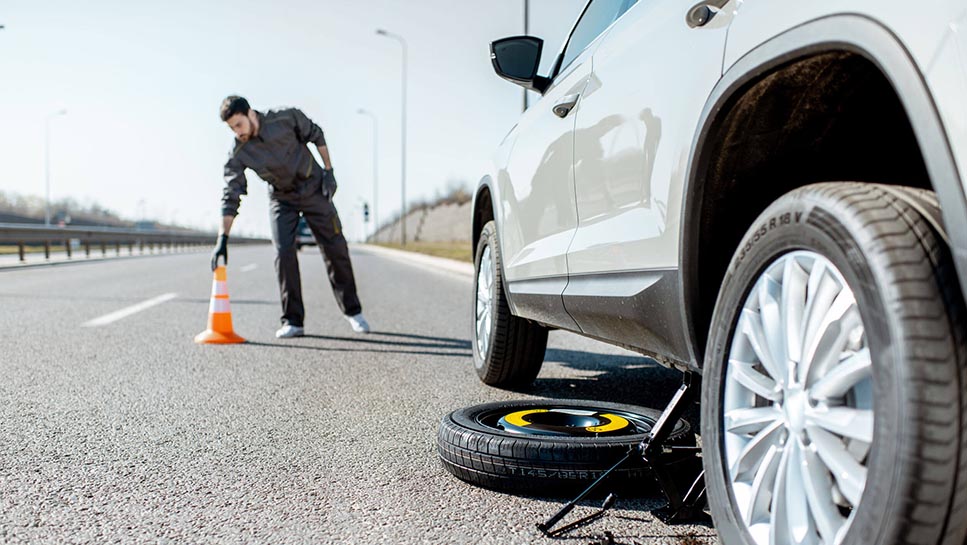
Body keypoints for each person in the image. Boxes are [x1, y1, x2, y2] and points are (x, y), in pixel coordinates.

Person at [211, 95, 370, 338]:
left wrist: (329, 171)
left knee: (335, 248)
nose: (237, 132)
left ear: (251, 113)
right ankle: (293, 321)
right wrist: (223, 238)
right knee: (284, 252)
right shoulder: (239, 151)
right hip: (281, 198)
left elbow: (317, 135)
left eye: (238, 125)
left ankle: (353, 311)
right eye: (231, 128)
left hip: (313, 186)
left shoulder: (285, 118)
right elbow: (231, 193)